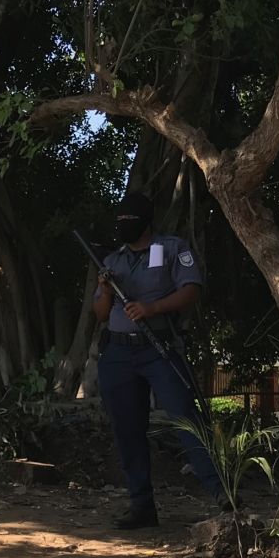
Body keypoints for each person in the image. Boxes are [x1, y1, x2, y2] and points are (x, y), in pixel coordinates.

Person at [93, 192, 226, 529]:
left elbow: (192, 289)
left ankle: (224, 495)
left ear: (145, 220)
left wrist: (152, 308)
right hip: (118, 353)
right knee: (127, 428)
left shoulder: (171, 248)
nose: (124, 225)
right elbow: (99, 313)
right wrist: (106, 290)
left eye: (129, 220)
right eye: (120, 221)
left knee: (186, 418)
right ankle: (142, 506)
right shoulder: (113, 261)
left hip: (159, 347)